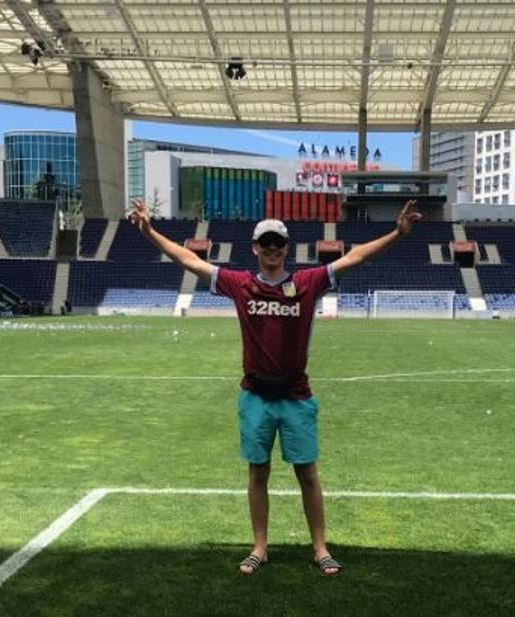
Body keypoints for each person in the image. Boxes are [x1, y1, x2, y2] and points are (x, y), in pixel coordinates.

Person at [128, 198, 421, 576]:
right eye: (265, 242)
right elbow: (191, 261)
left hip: (297, 397)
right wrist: (150, 232)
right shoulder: (240, 285)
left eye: (278, 243)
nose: (271, 249)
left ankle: (320, 548)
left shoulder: (307, 283)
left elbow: (355, 258)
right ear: (255, 248)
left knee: (309, 475)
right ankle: (260, 547)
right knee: (257, 473)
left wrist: (397, 234)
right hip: (255, 397)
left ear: (287, 249)